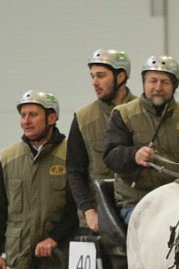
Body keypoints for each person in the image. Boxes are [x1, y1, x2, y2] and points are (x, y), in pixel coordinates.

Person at [0, 90, 78, 269]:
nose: (26, 120)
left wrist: (54, 238)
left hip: (65, 249)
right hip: (23, 250)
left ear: (52, 118)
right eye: (23, 115)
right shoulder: (9, 157)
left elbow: (77, 206)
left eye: (33, 114)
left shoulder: (71, 153)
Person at [103, 54, 179, 224]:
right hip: (139, 202)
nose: (158, 87)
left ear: (174, 86)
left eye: (165, 82)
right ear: (144, 83)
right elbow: (111, 156)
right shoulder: (123, 114)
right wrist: (134, 155)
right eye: (152, 81)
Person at [67, 48, 136, 233]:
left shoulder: (142, 113)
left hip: (136, 215)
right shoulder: (83, 118)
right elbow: (74, 171)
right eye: (92, 76)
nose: (94, 83)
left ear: (120, 77)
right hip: (94, 222)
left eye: (101, 76)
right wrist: (88, 211)